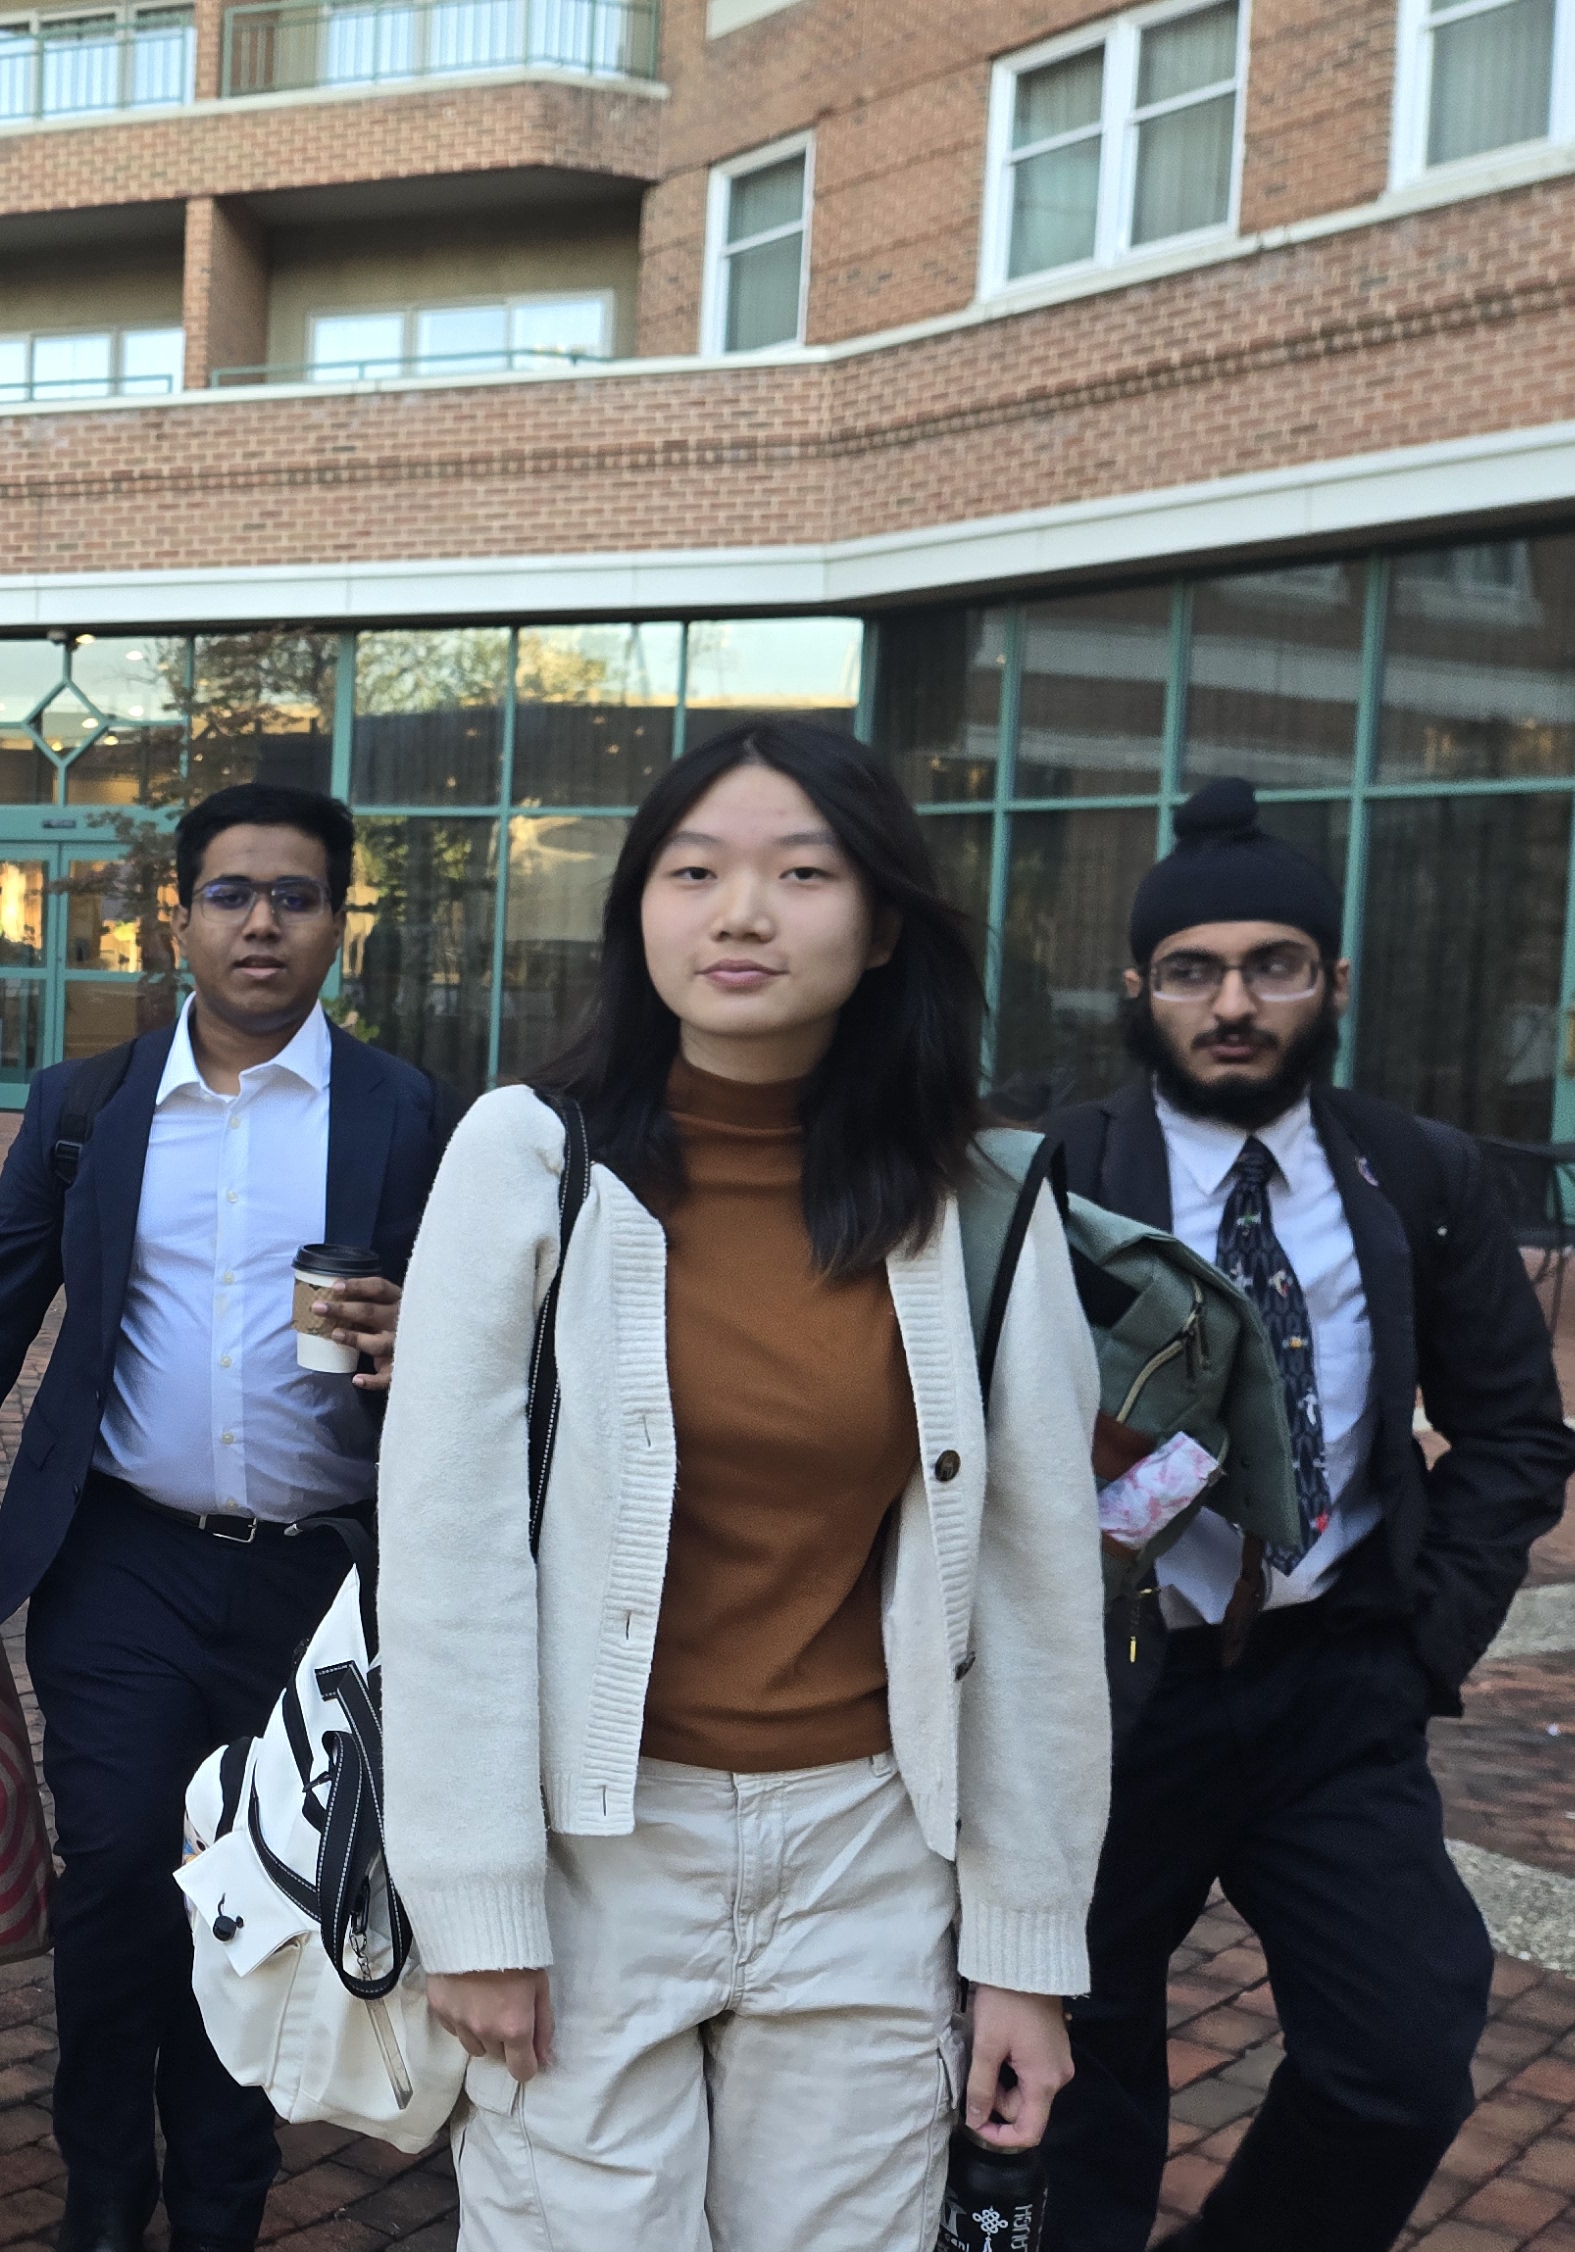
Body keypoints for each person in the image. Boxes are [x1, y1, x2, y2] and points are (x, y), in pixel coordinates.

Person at [376, 722, 1111, 2252]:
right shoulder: (528, 1159)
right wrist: (477, 1909)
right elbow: (446, 1560)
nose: (741, 914)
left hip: (865, 1851)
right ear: (638, 905)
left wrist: (1026, 1956)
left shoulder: (978, 1203)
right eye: (693, 871)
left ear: (885, 920)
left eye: (801, 873)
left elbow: (1039, 1591)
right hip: (595, 1848)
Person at [0, 782, 452, 2252]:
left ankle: (222, 2204)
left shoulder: (402, 1109)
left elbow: (473, 1348)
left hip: (318, 1588)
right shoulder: (87, 1109)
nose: (261, 923)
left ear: (336, 926)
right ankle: (104, 2190)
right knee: (114, 1871)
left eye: (297, 896)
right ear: (179, 918)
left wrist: (410, 1330)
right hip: (122, 1563)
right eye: (231, 893)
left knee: (264, 1894)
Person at [1045, 779, 1575, 2252]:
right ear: (1139, 990)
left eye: (1273, 967)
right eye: (1193, 971)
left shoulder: (1418, 1175)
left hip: (1333, 1689)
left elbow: (1518, 1433)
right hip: (1112, 1701)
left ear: (1332, 984)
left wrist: (1422, 1643)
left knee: (1401, 2061)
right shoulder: (1057, 1179)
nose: (1234, 1003)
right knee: (1082, 2079)